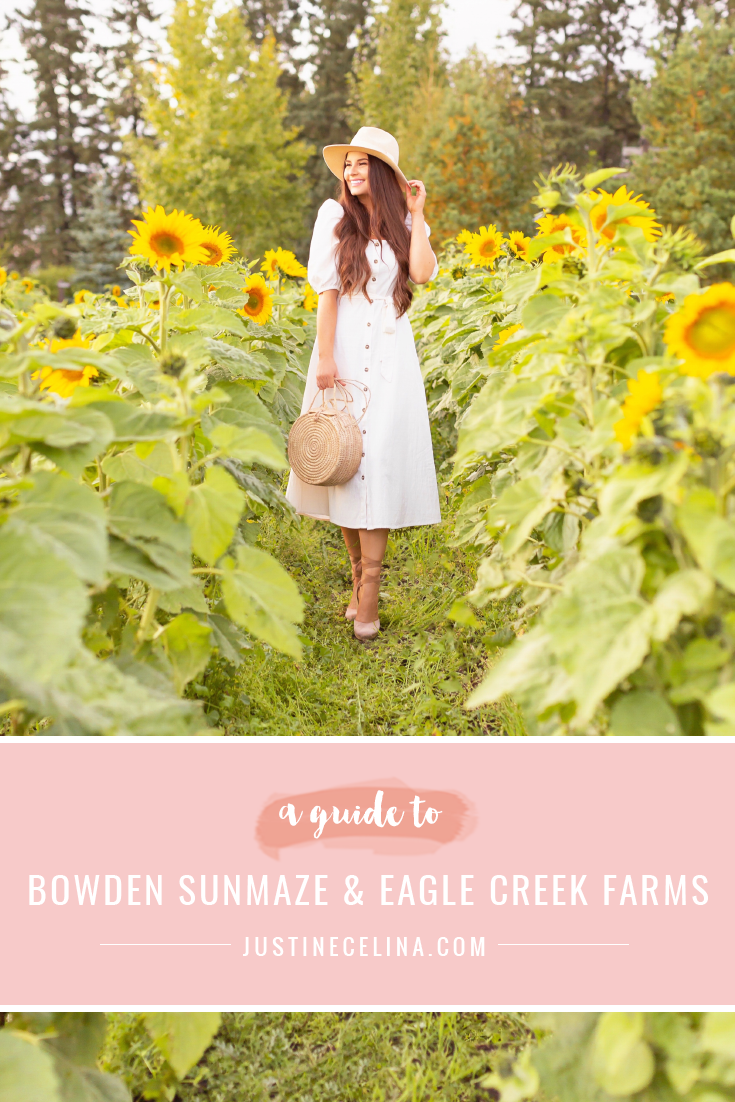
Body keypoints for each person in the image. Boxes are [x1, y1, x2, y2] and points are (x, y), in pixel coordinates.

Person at [285, 126, 441, 641]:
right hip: (345, 353)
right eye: (346, 164)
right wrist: (326, 357)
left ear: (381, 172)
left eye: (360, 164)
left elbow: (421, 274)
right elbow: (327, 295)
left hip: (393, 357)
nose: (351, 173)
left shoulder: (401, 221)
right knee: (347, 463)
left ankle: (369, 592)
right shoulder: (334, 219)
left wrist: (417, 215)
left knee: (380, 463)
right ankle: (356, 579)